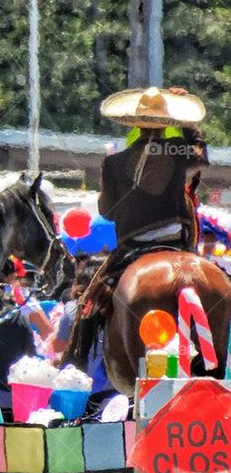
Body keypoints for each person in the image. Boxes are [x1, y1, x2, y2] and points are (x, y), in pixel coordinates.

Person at [83, 87, 208, 309]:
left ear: (137, 124)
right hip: (176, 241)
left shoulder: (113, 162)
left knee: (89, 304)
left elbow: (107, 212)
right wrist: (189, 125)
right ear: (167, 123)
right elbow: (201, 156)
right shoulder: (177, 149)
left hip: (132, 245)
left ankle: (82, 332)